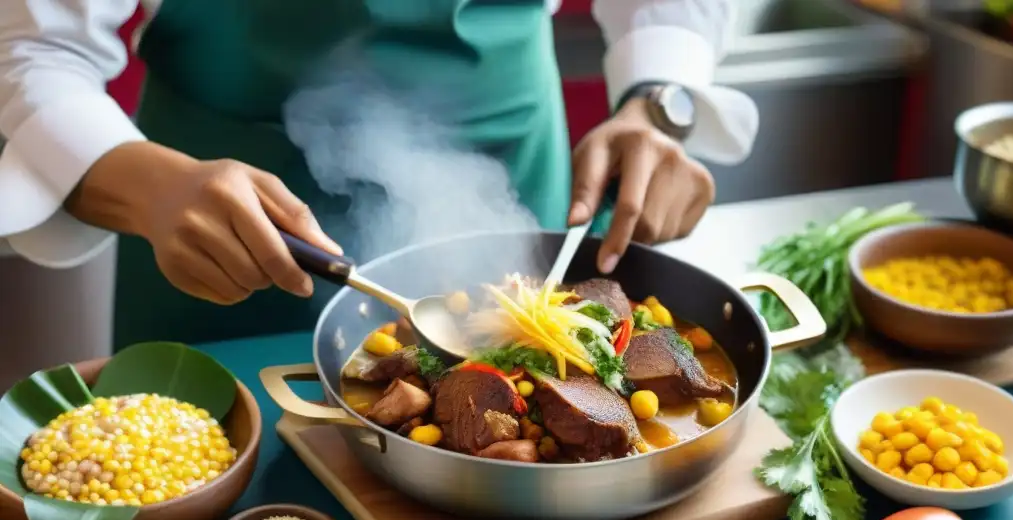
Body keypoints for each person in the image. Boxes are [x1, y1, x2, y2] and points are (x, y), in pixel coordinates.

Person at [0, 0, 758, 348]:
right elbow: (32, 53)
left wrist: (658, 100)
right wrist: (150, 187)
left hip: (510, 157)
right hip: (220, 214)